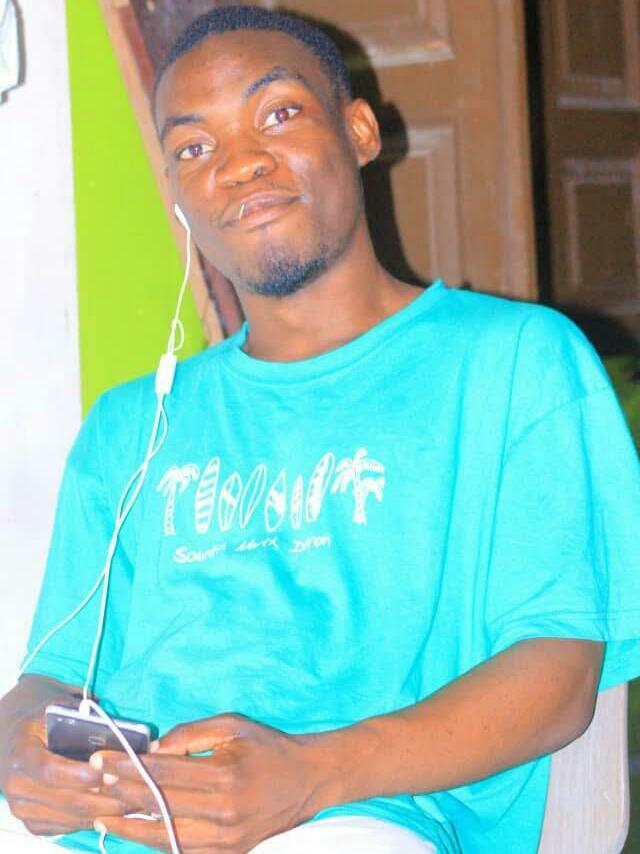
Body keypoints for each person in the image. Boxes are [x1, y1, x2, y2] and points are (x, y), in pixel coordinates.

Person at [1, 6, 639, 854]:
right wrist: (20, 752)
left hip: (360, 817)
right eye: (193, 147)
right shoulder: (131, 425)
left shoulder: (514, 363)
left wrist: (310, 773)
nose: (239, 164)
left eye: (278, 113)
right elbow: (49, 677)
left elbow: (560, 674)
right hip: (127, 825)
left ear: (360, 131)